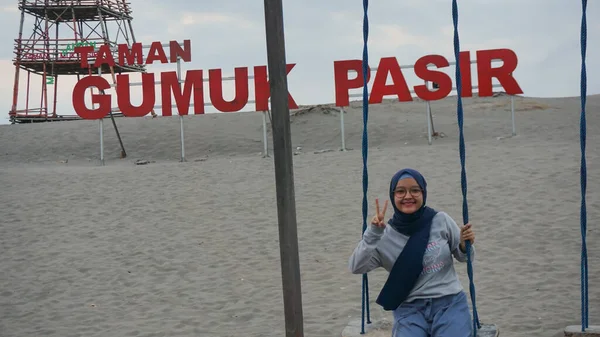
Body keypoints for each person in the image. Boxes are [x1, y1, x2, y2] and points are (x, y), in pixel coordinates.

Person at [348, 168, 476, 337]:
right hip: (410, 308)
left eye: (415, 190)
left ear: (423, 193)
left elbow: (465, 258)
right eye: (400, 191)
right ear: (393, 196)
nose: (408, 196)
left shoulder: (441, 220)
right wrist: (372, 234)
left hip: (449, 302)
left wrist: (462, 245)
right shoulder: (383, 235)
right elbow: (356, 267)